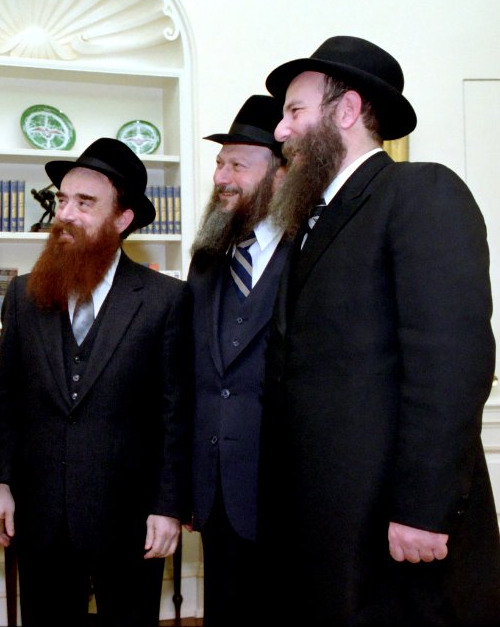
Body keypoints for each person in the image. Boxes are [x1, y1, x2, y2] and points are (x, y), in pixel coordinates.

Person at [259, 35, 500, 625]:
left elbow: (450, 365)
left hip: (392, 521)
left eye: (295, 111)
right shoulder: (312, 221)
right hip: (328, 521)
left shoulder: (421, 192)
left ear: (346, 112)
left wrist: (424, 507)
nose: (281, 130)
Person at [0, 137, 192, 627]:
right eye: (61, 200)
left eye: (85, 203)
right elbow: (6, 400)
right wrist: (0, 483)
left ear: (123, 219)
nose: (66, 214)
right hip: (39, 517)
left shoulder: (166, 300)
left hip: (130, 518)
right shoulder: (23, 294)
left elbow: (176, 414)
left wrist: (167, 507)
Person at [187, 95, 287, 626]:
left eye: (237, 165)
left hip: (288, 489)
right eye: (219, 164)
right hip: (217, 490)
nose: (222, 177)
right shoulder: (207, 258)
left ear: (278, 175)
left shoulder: (313, 252)